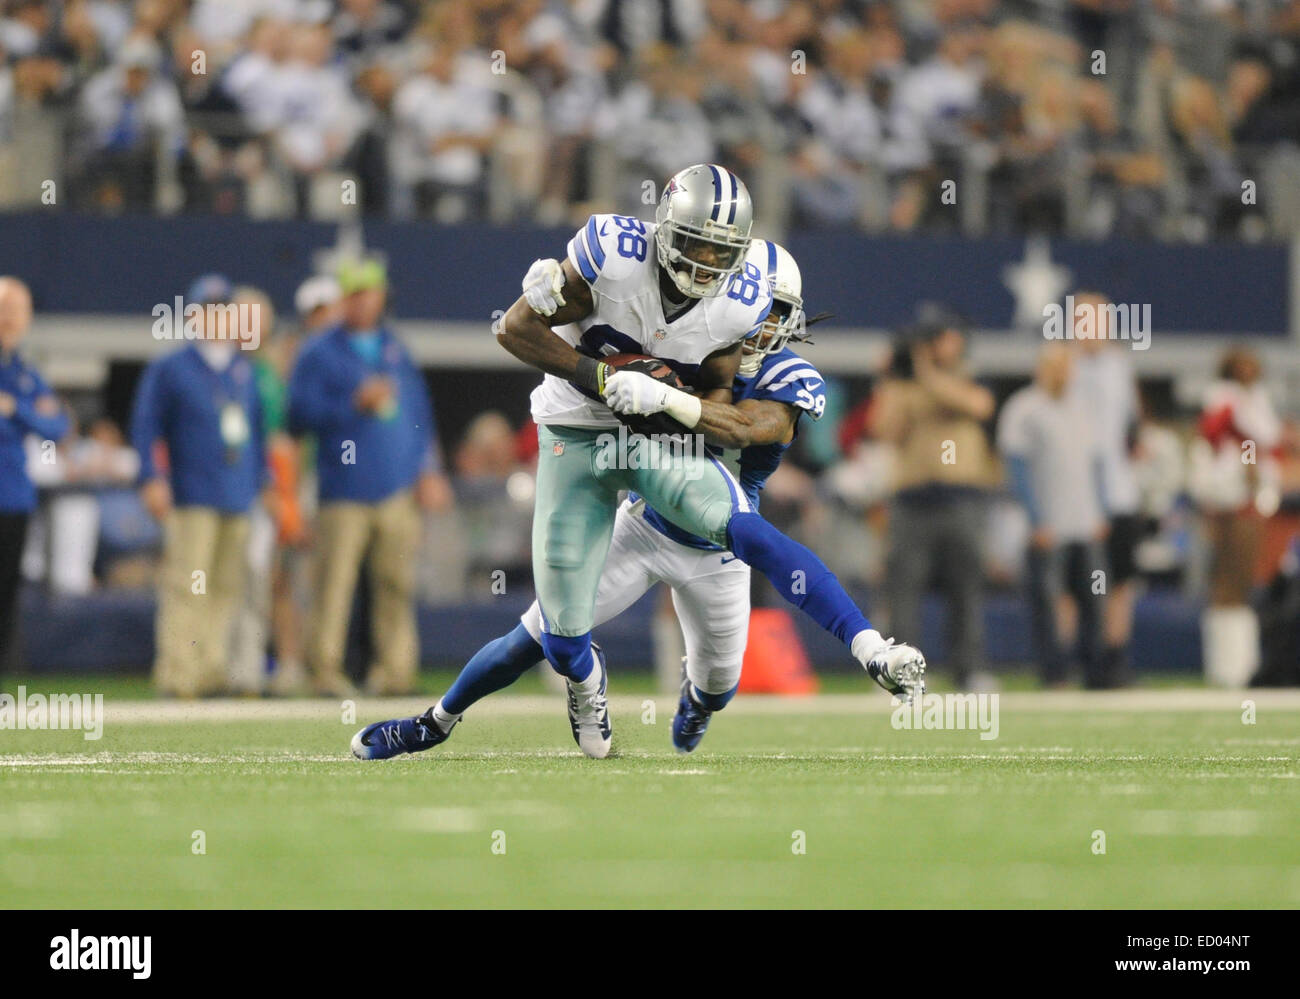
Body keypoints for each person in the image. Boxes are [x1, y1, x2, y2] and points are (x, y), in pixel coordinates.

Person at [351, 166, 924, 761]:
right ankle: (435, 721)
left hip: (712, 544)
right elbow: (564, 334)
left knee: (719, 680)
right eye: (766, 310)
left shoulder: (782, 371)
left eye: (779, 315)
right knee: (549, 631)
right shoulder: (631, 264)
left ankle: (708, 701)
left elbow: (742, 421)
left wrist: (666, 398)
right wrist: (560, 292)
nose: (766, 325)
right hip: (643, 502)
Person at [287, 258, 452, 696]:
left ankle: (395, 672)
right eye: (356, 294)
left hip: (397, 488)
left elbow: (419, 414)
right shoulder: (319, 350)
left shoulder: (395, 347)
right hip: (343, 490)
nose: (364, 302)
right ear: (343, 299)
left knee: (396, 583)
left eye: (371, 293)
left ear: (381, 296)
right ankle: (322, 672)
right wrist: (351, 404)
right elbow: (296, 416)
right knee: (333, 586)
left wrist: (429, 469)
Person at [130, 274, 265, 698]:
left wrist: (264, 483)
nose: (216, 319)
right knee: (189, 584)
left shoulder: (243, 370)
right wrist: (151, 478)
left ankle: (210, 670)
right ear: (192, 316)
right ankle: (178, 673)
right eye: (208, 310)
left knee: (226, 587)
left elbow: (257, 433)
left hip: (237, 494)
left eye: (223, 310)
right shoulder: (171, 367)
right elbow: (145, 427)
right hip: (192, 495)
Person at [872, 304, 997, 689]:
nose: (936, 345)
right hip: (914, 501)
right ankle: (901, 673)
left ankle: (969, 669)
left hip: (963, 498)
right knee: (904, 591)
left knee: (966, 590)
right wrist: (890, 380)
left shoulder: (968, 376)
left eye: (941, 337)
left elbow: (978, 405)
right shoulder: (905, 383)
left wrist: (926, 373)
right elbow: (884, 431)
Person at [998, 344, 1111, 687]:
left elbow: (1096, 464)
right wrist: (1036, 518)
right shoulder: (1024, 408)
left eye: (1067, 366)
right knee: (1047, 602)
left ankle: (1095, 670)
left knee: (1094, 597)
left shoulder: (1083, 407)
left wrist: (1101, 511)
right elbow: (1016, 468)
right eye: (1056, 366)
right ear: (1041, 369)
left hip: (1085, 522)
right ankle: (1054, 672)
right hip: (1048, 525)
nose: (1063, 372)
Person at [1188, 346, 1281, 687]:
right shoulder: (1224, 402)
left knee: (1242, 582)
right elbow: (1217, 446)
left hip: (1249, 499)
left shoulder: (1257, 400)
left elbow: (1266, 443)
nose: (1248, 372)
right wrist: (1242, 472)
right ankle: (1229, 666)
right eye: (1241, 367)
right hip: (1229, 501)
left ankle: (1238, 663)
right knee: (1229, 581)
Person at [1069, 290, 1141, 685]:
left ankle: (1115, 661)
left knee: (1120, 581)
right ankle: (1070, 662)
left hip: (1118, 492)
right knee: (1073, 586)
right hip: (1076, 497)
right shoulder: (1063, 365)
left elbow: (1130, 426)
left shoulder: (1119, 366)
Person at [0, 276, 68, 674]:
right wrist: (26, 417)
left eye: (17, 311)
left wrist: (14, 411)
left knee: (9, 587)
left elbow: (57, 426)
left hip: (13, 495)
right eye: (5, 309)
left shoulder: (25, 369)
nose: (10, 319)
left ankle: (7, 667)